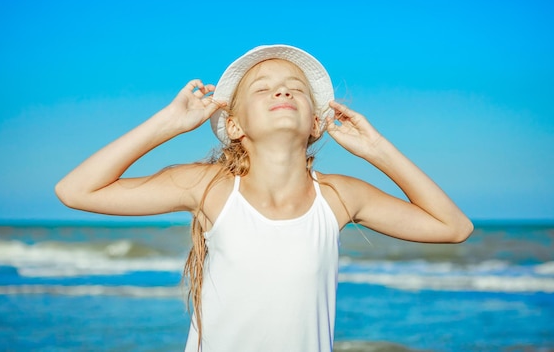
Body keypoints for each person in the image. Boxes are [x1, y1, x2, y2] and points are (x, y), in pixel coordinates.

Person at [55, 44, 473, 352]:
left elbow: (453, 227)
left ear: (315, 122)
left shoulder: (339, 196)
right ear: (234, 125)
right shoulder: (210, 188)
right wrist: (169, 123)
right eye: (264, 89)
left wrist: (377, 149)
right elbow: (75, 191)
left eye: (295, 88)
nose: (282, 92)